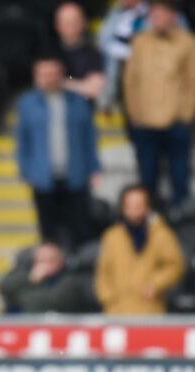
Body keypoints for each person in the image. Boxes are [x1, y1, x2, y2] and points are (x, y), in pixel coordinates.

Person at [16, 54, 101, 251]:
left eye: (53, 74)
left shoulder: (78, 102)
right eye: (44, 74)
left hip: (75, 175)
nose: (49, 78)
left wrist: (94, 167)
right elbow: (23, 140)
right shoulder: (28, 104)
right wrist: (27, 170)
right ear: (36, 76)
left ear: (62, 75)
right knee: (49, 231)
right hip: (44, 178)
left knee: (80, 227)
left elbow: (89, 136)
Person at [123, 0, 195, 206]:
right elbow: (131, 81)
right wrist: (135, 114)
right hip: (145, 123)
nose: (156, 18)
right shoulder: (140, 41)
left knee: (179, 177)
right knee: (147, 179)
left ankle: (182, 223)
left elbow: (192, 81)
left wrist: (185, 115)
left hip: (176, 122)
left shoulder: (187, 42)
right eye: (154, 14)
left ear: (173, 16)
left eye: (161, 13)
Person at [95, 185, 185, 314]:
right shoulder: (112, 236)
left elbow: (175, 265)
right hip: (117, 310)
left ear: (147, 207)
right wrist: (107, 297)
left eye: (138, 205)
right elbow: (103, 272)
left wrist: (156, 284)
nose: (134, 210)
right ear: (123, 208)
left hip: (149, 309)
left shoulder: (160, 234)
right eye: (129, 206)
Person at [0, 242, 86, 313]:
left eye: (51, 260)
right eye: (41, 261)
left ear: (61, 261)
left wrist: (24, 294)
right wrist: (30, 279)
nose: (46, 265)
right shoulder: (25, 273)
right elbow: (5, 287)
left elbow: (53, 302)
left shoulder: (69, 279)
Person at [55, 2, 105, 102]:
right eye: (65, 21)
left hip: (83, 112)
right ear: (57, 25)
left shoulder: (94, 54)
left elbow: (94, 90)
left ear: (84, 23)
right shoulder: (49, 52)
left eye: (74, 20)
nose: (70, 25)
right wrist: (80, 85)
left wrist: (60, 82)